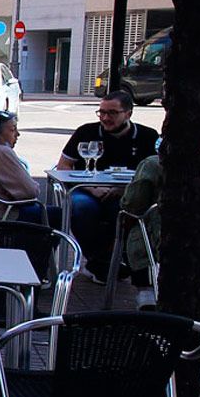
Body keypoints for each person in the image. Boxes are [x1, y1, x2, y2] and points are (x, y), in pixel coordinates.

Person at [120, 140, 200, 310]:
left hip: (167, 244)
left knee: (135, 222)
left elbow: (133, 204)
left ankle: (146, 292)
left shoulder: (153, 165)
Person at [55, 90, 159, 283]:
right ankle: (100, 260)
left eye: (112, 113)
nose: (105, 117)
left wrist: (124, 190)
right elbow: (64, 165)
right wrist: (92, 188)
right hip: (88, 190)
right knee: (80, 207)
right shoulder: (86, 132)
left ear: (128, 114)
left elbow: (154, 171)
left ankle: (111, 260)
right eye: (101, 112)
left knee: (125, 211)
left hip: (127, 193)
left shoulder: (147, 136)